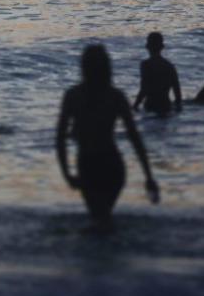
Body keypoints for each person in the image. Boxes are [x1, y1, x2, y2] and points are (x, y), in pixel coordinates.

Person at [56, 44, 160, 231]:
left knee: (98, 218)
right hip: (112, 165)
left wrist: (66, 173)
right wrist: (148, 176)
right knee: (103, 218)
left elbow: (60, 138)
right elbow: (134, 138)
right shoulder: (115, 96)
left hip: (88, 165)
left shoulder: (73, 96)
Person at [133, 32, 182, 114]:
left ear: (147, 46)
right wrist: (177, 108)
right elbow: (177, 94)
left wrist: (135, 106)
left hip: (150, 105)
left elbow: (144, 89)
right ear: (162, 47)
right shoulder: (169, 66)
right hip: (166, 105)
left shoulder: (146, 65)